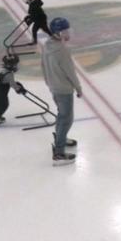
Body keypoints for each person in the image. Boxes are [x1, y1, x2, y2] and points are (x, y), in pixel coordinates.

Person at [42, 17, 81, 164]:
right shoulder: (63, 50)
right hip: (63, 89)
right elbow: (70, 72)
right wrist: (78, 88)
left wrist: (49, 82)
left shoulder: (47, 45)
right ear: (58, 33)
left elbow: (43, 66)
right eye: (64, 31)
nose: (67, 33)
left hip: (54, 87)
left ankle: (60, 138)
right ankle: (59, 153)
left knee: (61, 114)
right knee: (66, 119)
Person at [0, 54, 26, 125]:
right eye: (15, 64)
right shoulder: (9, 74)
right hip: (1, 90)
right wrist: (20, 89)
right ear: (10, 65)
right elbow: (13, 84)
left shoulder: (5, 71)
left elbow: (11, 82)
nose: (16, 66)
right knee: (3, 104)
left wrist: (18, 86)